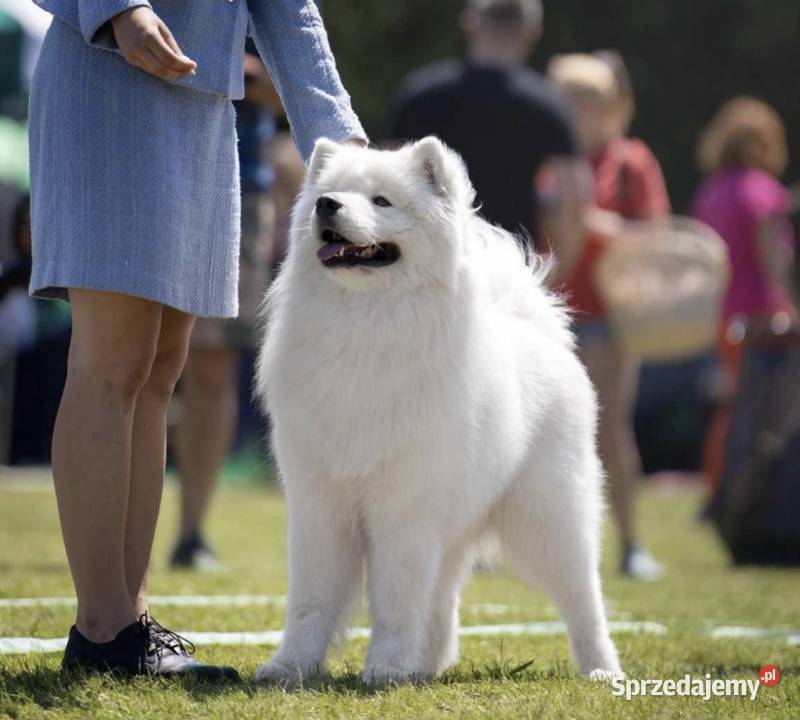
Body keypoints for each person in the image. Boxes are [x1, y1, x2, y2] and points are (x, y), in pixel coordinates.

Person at [28, 0, 366, 677]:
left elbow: (287, 7)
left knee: (158, 370)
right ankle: (102, 628)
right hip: (106, 77)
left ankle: (129, 621)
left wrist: (340, 137)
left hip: (202, 108)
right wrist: (119, 8)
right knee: (112, 365)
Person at [547, 52, 669, 580]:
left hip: (606, 318)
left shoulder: (630, 161)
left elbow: (654, 236)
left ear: (608, 106)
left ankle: (630, 543)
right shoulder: (547, 159)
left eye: (586, 102)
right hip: (547, 311)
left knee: (609, 431)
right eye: (567, 101)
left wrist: (589, 221)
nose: (575, 112)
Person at [170, 45, 281, 571]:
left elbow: (290, 89)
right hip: (150, 176)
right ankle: (111, 536)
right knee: (131, 360)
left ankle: (191, 533)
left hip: (239, 191)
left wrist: (246, 72)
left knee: (210, 371)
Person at [391, 0, 586, 254]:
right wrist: (559, 265)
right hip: (513, 262)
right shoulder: (550, 107)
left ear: (469, 24)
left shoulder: (419, 96)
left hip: (435, 259)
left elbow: (390, 182)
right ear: (532, 32)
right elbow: (572, 199)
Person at [691, 97, 796, 494]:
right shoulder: (764, 191)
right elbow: (776, 261)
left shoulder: (710, 191)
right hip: (761, 318)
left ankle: (718, 486)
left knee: (728, 405)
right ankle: (745, 492)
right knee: (760, 409)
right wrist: (791, 306)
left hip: (721, 316)